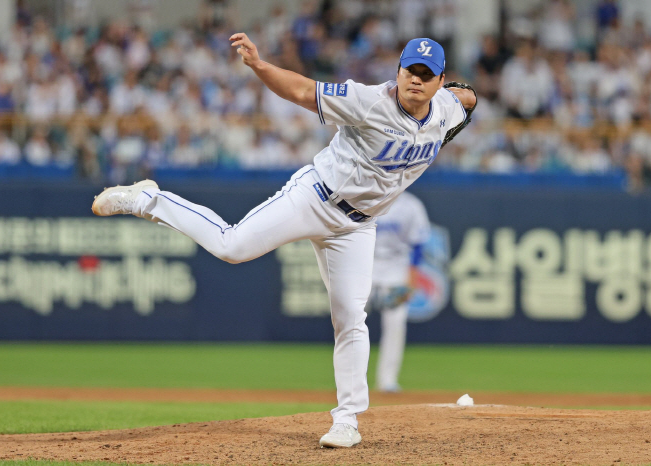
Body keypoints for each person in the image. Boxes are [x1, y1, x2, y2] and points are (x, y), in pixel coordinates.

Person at [92, 32, 476, 448]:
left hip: (358, 226)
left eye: (426, 74)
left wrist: (464, 93)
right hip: (315, 196)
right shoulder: (368, 100)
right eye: (409, 70)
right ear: (397, 71)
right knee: (232, 247)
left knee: (351, 315)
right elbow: (302, 90)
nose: (415, 79)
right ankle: (150, 199)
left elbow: (467, 99)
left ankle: (347, 420)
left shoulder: (446, 110)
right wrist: (260, 65)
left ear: (440, 82)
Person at [371, 190, 430, 393]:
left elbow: (418, 244)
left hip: (396, 272)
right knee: (349, 322)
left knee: (395, 325)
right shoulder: (365, 197)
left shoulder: (411, 205)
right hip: (364, 269)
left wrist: (411, 279)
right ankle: (350, 381)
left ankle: (387, 380)